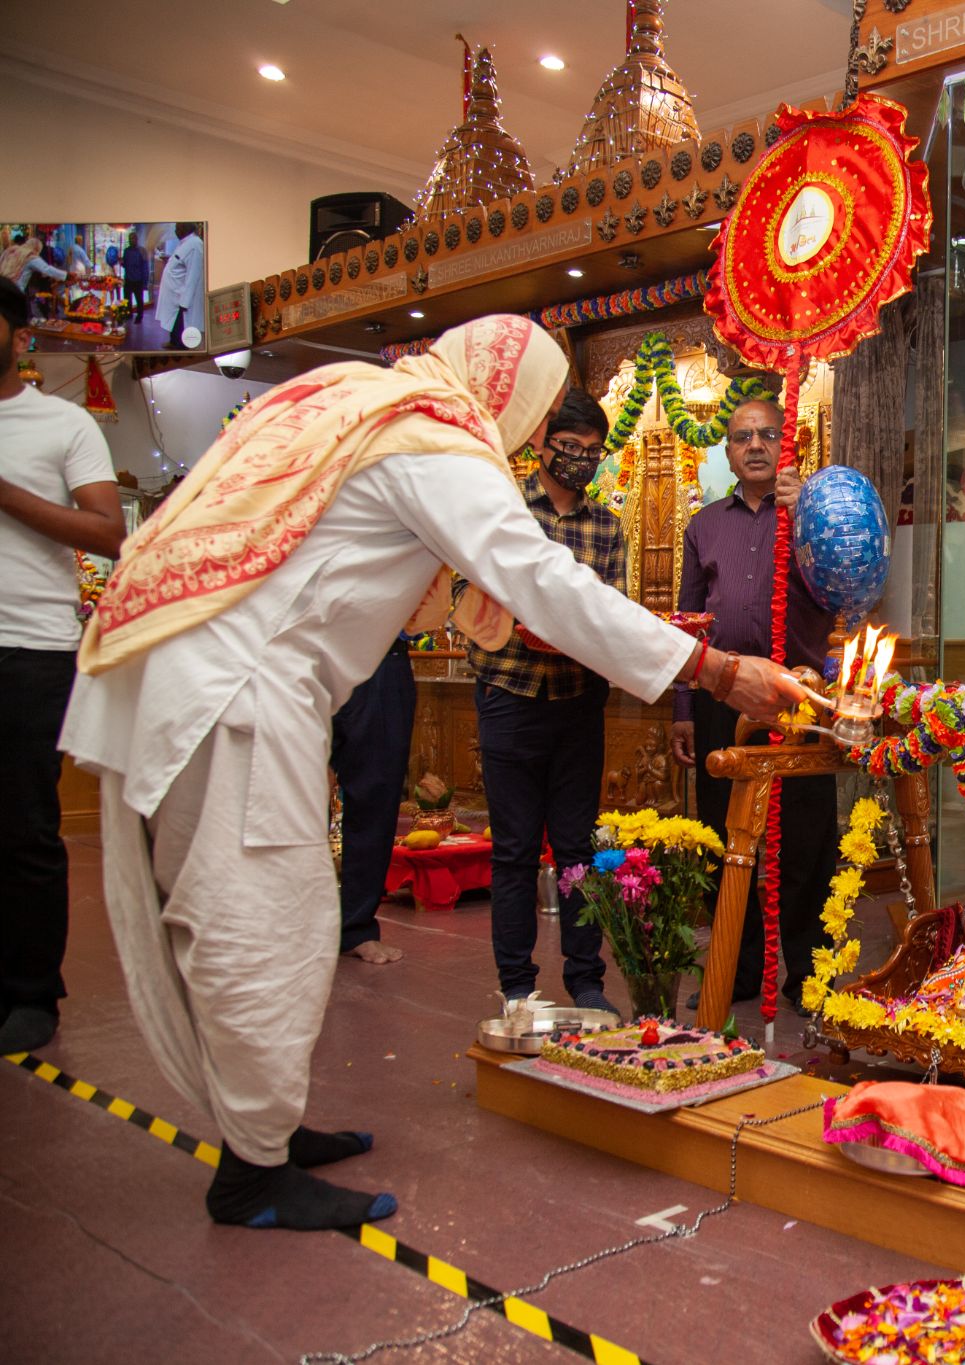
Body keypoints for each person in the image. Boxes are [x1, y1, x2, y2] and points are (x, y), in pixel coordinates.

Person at [61, 316, 802, 1231]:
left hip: (190, 666)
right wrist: (720, 671)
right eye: (534, 420)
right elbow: (541, 577)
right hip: (236, 687)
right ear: (510, 393)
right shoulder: (432, 434)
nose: (533, 443)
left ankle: (265, 1133)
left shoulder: (361, 399)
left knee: (246, 911)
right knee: (270, 916)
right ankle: (253, 1174)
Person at [669, 398, 837, 1009]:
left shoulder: (813, 514)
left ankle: (810, 976)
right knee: (723, 838)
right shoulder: (703, 525)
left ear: (786, 443)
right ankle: (735, 972)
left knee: (806, 840)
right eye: (743, 437)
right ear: (728, 452)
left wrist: (810, 516)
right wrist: (683, 710)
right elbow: (686, 627)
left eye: (769, 434)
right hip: (724, 694)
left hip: (799, 697)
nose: (757, 446)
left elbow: (846, 592)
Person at [0, 278, 124, 1055]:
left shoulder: (62, 422)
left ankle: (30, 992)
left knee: (23, 830)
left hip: (27, 650)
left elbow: (109, 532)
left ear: (17, 338)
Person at [470, 387, 620, 1011]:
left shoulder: (608, 526)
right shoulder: (502, 510)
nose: (580, 460)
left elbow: (607, 612)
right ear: (542, 444)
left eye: (592, 452)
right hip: (510, 694)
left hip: (580, 701)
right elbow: (471, 594)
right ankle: (517, 988)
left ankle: (586, 983)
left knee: (578, 849)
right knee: (513, 852)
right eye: (569, 447)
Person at [328, 637, 414, 966]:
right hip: (299, 645)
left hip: (381, 652)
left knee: (375, 798)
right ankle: (281, 926)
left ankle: (356, 927)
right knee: (286, 794)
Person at [154, 222, 205, 348]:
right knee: (174, 322)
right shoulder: (185, 243)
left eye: (178, 228)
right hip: (175, 296)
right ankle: (174, 342)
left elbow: (193, 275)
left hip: (182, 296)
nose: (176, 231)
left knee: (182, 324)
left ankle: (179, 346)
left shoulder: (195, 245)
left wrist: (185, 301)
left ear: (186, 228)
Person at [120, 232, 149, 316]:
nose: (131, 240)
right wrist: (121, 262)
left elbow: (145, 267)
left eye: (133, 238)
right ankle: (128, 314)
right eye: (130, 239)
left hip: (138, 280)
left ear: (136, 239)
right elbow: (125, 265)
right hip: (128, 279)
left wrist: (145, 282)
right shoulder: (126, 251)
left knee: (139, 300)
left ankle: (139, 316)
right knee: (127, 300)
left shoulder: (142, 251)